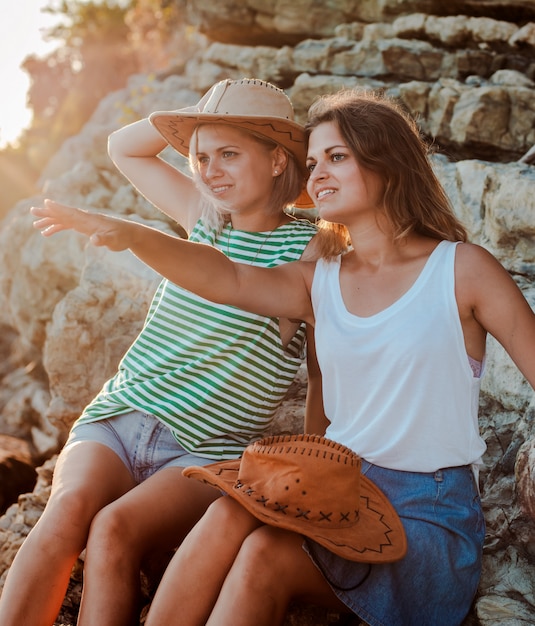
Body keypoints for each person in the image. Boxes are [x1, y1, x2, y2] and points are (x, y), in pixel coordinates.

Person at [25, 88, 535, 626]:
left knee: (262, 559)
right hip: (339, 487)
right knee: (228, 514)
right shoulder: (319, 280)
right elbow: (228, 277)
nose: (316, 175)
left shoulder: (464, 270)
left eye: (337, 157)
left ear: (388, 161)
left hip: (424, 509)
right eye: (312, 163)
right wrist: (136, 236)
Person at [0, 78, 345, 626]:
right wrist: (207, 113)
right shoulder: (203, 218)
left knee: (114, 529)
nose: (210, 170)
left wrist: (315, 453)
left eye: (229, 153)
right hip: (120, 417)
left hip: (205, 451)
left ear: (280, 160)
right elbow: (123, 146)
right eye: (200, 156)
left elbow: (324, 369)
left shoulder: (314, 249)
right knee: (65, 515)